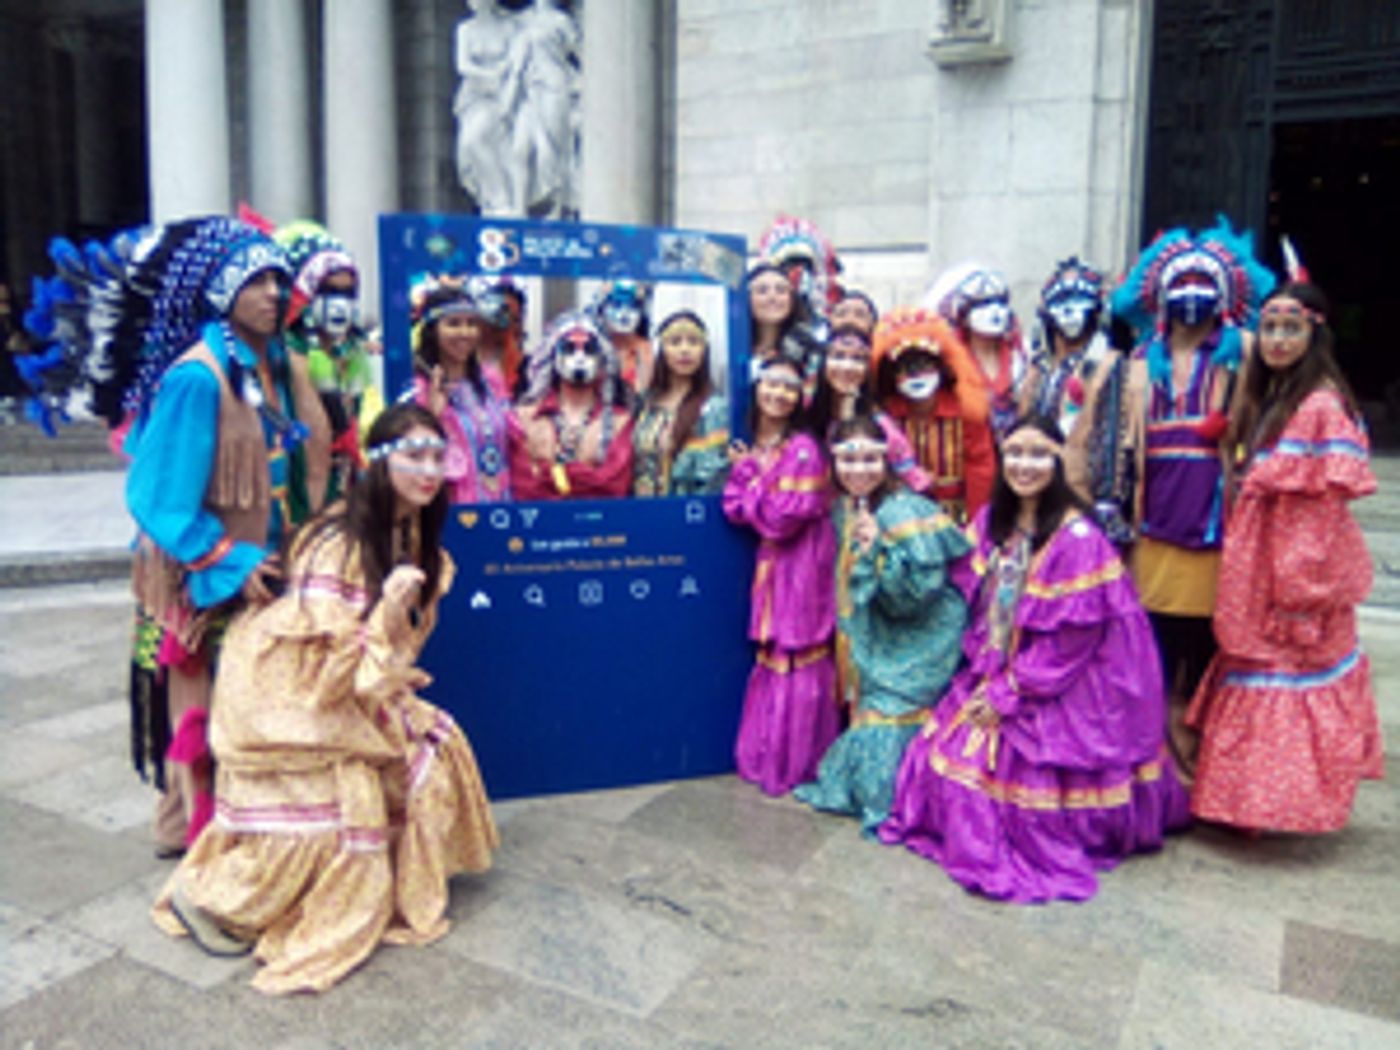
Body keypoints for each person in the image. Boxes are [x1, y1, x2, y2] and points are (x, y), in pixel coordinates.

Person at [152, 403, 499, 994]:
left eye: (438, 456)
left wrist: (389, 653)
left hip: (350, 688)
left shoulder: (413, 536)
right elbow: (327, 661)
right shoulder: (338, 541)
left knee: (432, 752)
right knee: (338, 814)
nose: (429, 470)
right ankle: (215, 900)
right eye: (413, 455)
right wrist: (388, 611)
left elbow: (377, 660)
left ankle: (387, 874)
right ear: (380, 463)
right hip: (288, 698)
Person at [23, 217, 332, 855]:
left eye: (279, 279)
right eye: (256, 281)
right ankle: (204, 844)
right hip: (203, 572)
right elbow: (157, 498)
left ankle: (203, 826)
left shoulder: (278, 364)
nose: (275, 293)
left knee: (245, 703)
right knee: (204, 708)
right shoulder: (197, 377)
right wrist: (225, 560)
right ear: (219, 291)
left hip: (265, 561)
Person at [880, 416, 1190, 902]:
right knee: (940, 767)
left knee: (988, 794)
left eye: (1038, 453)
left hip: (1062, 684)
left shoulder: (1079, 539)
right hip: (1002, 665)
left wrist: (1008, 693)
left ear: (1059, 460)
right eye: (1016, 453)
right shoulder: (991, 521)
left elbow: (1071, 644)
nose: (1024, 465)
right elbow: (973, 599)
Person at [1187, 282, 1382, 833]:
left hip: (1290, 575)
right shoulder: (1276, 397)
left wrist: (1301, 593)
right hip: (1261, 563)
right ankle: (1249, 808)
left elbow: (1317, 511)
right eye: (1269, 327)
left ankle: (1275, 807)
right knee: (1258, 672)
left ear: (1314, 332)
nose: (1276, 339)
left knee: (1284, 681)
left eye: (1290, 328)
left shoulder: (1319, 404)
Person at [1111, 217, 1275, 780]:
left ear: (1225, 296)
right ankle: (1152, 764)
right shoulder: (1135, 363)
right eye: (1179, 285)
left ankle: (1204, 768)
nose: (1191, 296)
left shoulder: (1246, 352)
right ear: (1157, 295)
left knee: (1207, 650)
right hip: (1150, 519)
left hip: (1217, 522)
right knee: (1151, 645)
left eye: (1204, 285)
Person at [793, 416, 969, 834]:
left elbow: (919, 595)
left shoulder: (904, 509)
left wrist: (882, 555)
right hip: (874, 635)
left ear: (886, 460)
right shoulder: (844, 507)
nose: (859, 470)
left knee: (884, 761)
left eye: (870, 459)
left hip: (920, 640)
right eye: (848, 460)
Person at [722, 352, 838, 795]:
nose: (780, 393)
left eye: (791, 387)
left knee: (799, 650)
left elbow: (780, 519)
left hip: (803, 562)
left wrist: (750, 475)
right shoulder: (758, 444)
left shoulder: (804, 448)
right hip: (773, 564)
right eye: (772, 383)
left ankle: (798, 759)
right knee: (774, 653)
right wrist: (754, 484)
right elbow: (735, 508)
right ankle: (769, 753)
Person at [1018, 257, 1132, 543]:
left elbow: (1111, 435)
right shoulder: (1039, 369)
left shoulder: (1108, 364)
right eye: (1060, 302)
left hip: (1082, 497)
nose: (1069, 312)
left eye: (1079, 301)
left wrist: (1107, 500)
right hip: (1036, 492)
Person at [276, 220, 382, 501]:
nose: (340, 303)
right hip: (297, 489)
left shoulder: (353, 354)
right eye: (329, 290)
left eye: (347, 293)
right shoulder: (284, 351)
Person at [872, 306, 996, 524]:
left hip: (958, 514)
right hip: (903, 513)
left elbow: (981, 470)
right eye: (905, 368)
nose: (915, 375)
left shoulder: (965, 411)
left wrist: (977, 523)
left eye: (924, 365)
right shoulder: (888, 414)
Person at [509, 309, 634, 499]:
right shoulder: (523, 417)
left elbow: (612, 487)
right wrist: (583, 475)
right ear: (551, 355)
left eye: (589, 349)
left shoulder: (621, 421)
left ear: (602, 358)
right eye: (569, 348)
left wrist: (550, 474)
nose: (580, 357)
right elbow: (524, 486)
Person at [407, 276, 512, 504]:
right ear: (433, 329)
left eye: (471, 324)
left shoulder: (490, 379)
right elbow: (413, 459)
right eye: (453, 323)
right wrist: (433, 417)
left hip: (501, 506)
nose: (465, 332)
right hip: (449, 508)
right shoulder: (418, 388)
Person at [807, 324, 931, 493]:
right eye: (838, 356)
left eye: (858, 359)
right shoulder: (807, 411)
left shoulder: (881, 425)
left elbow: (911, 479)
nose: (847, 366)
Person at [631, 309, 730, 497]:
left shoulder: (713, 408)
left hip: (683, 513)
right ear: (662, 350)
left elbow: (713, 478)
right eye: (675, 342)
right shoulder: (645, 402)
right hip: (640, 511)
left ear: (704, 351)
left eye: (693, 342)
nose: (685, 350)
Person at [926, 263, 1027, 440]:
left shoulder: (1022, 356)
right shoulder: (948, 361)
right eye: (983, 304)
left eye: (1000, 302)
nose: (995, 310)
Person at [594, 279, 653, 396]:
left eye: (632, 306)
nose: (624, 313)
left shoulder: (643, 347)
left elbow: (642, 390)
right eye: (616, 305)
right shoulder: (593, 343)